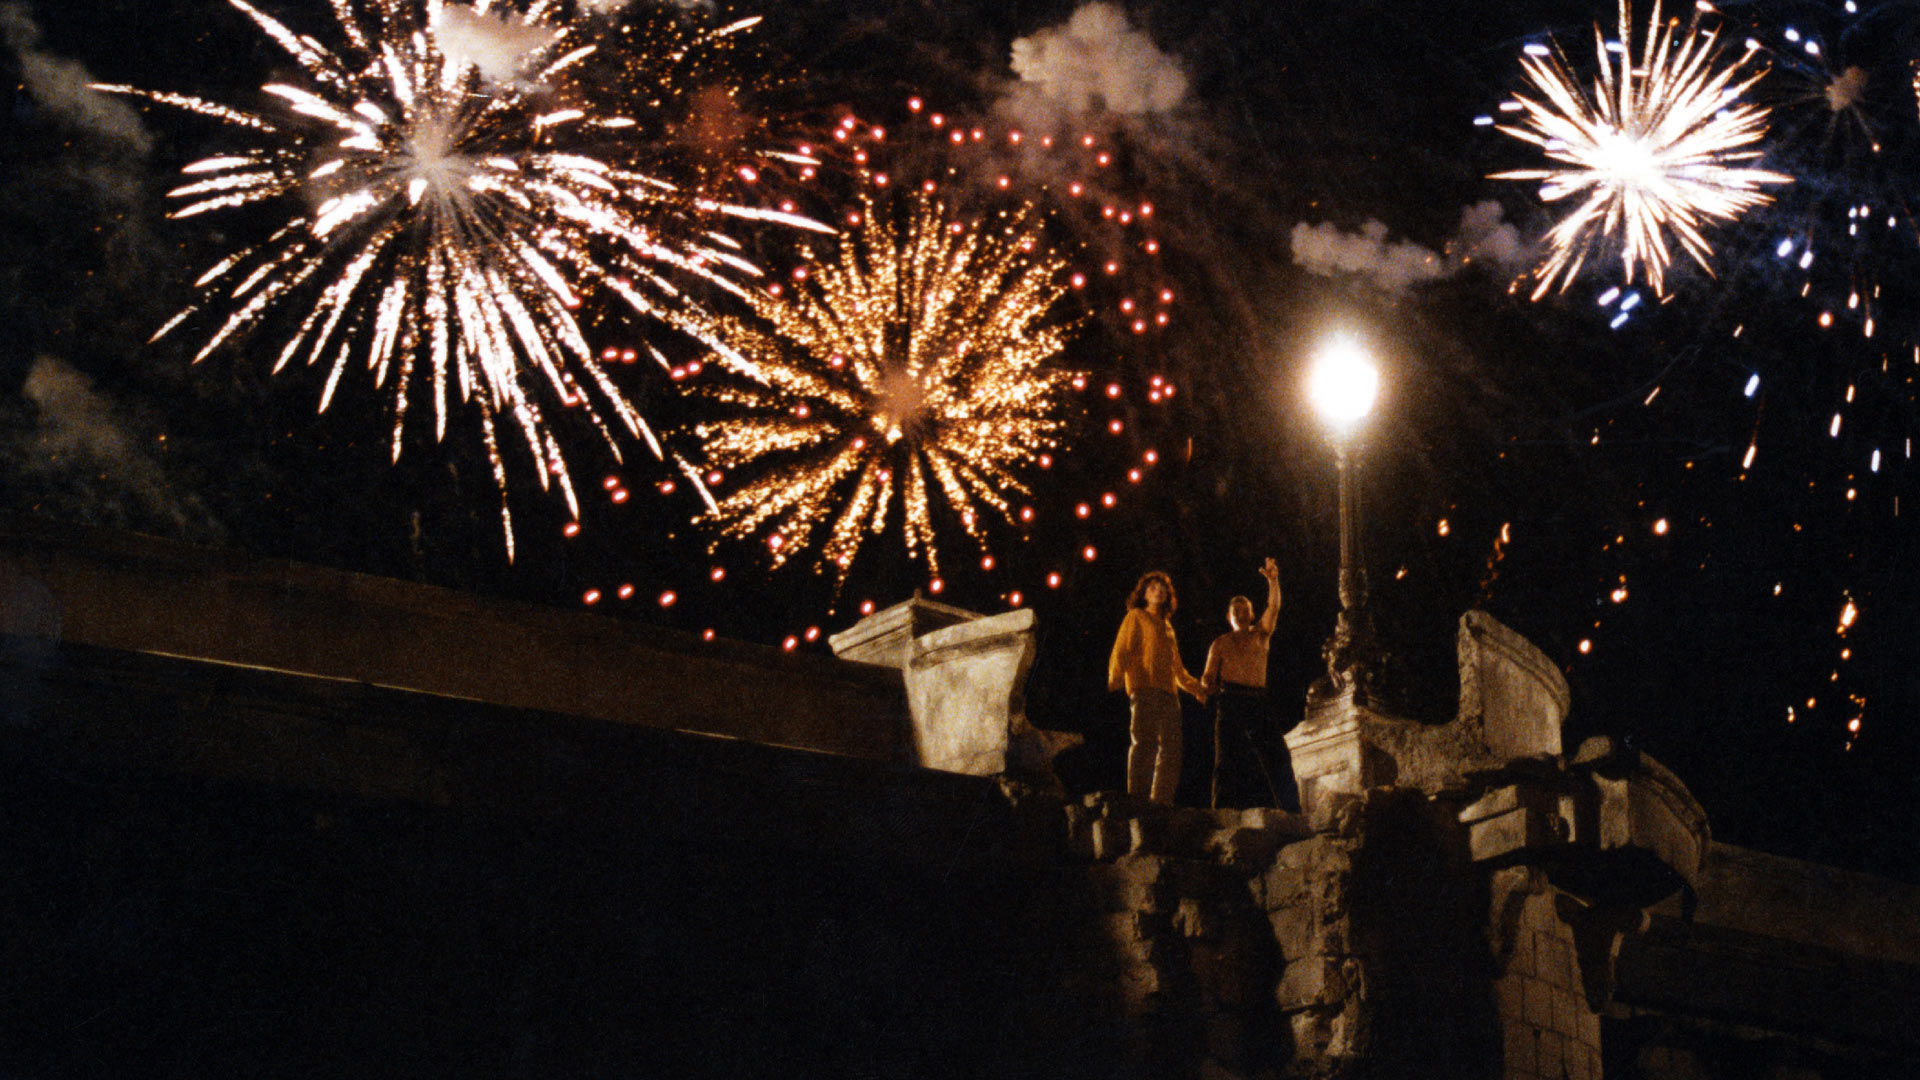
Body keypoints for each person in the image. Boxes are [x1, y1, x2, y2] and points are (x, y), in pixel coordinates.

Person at [1201, 558, 1299, 811]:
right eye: (1235, 608)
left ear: (1251, 613)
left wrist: (1273, 580)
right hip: (1230, 700)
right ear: (1229, 616)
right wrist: (1206, 684)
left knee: (1278, 755)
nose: (1240, 611)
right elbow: (1208, 675)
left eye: (1245, 607)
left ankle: (1292, 811)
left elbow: (1274, 607)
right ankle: (1220, 813)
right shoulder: (1220, 643)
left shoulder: (1260, 634)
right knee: (1225, 761)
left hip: (1256, 699)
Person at [1107, 570, 1209, 805]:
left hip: (1168, 695)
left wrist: (1197, 689)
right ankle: (1137, 800)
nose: (1158, 591)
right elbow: (1122, 648)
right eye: (1152, 587)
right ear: (1143, 593)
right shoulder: (1136, 616)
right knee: (1144, 743)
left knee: (1172, 750)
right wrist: (1115, 676)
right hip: (1143, 688)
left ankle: (1161, 802)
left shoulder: (1167, 627)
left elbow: (1177, 669)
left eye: (1162, 588)